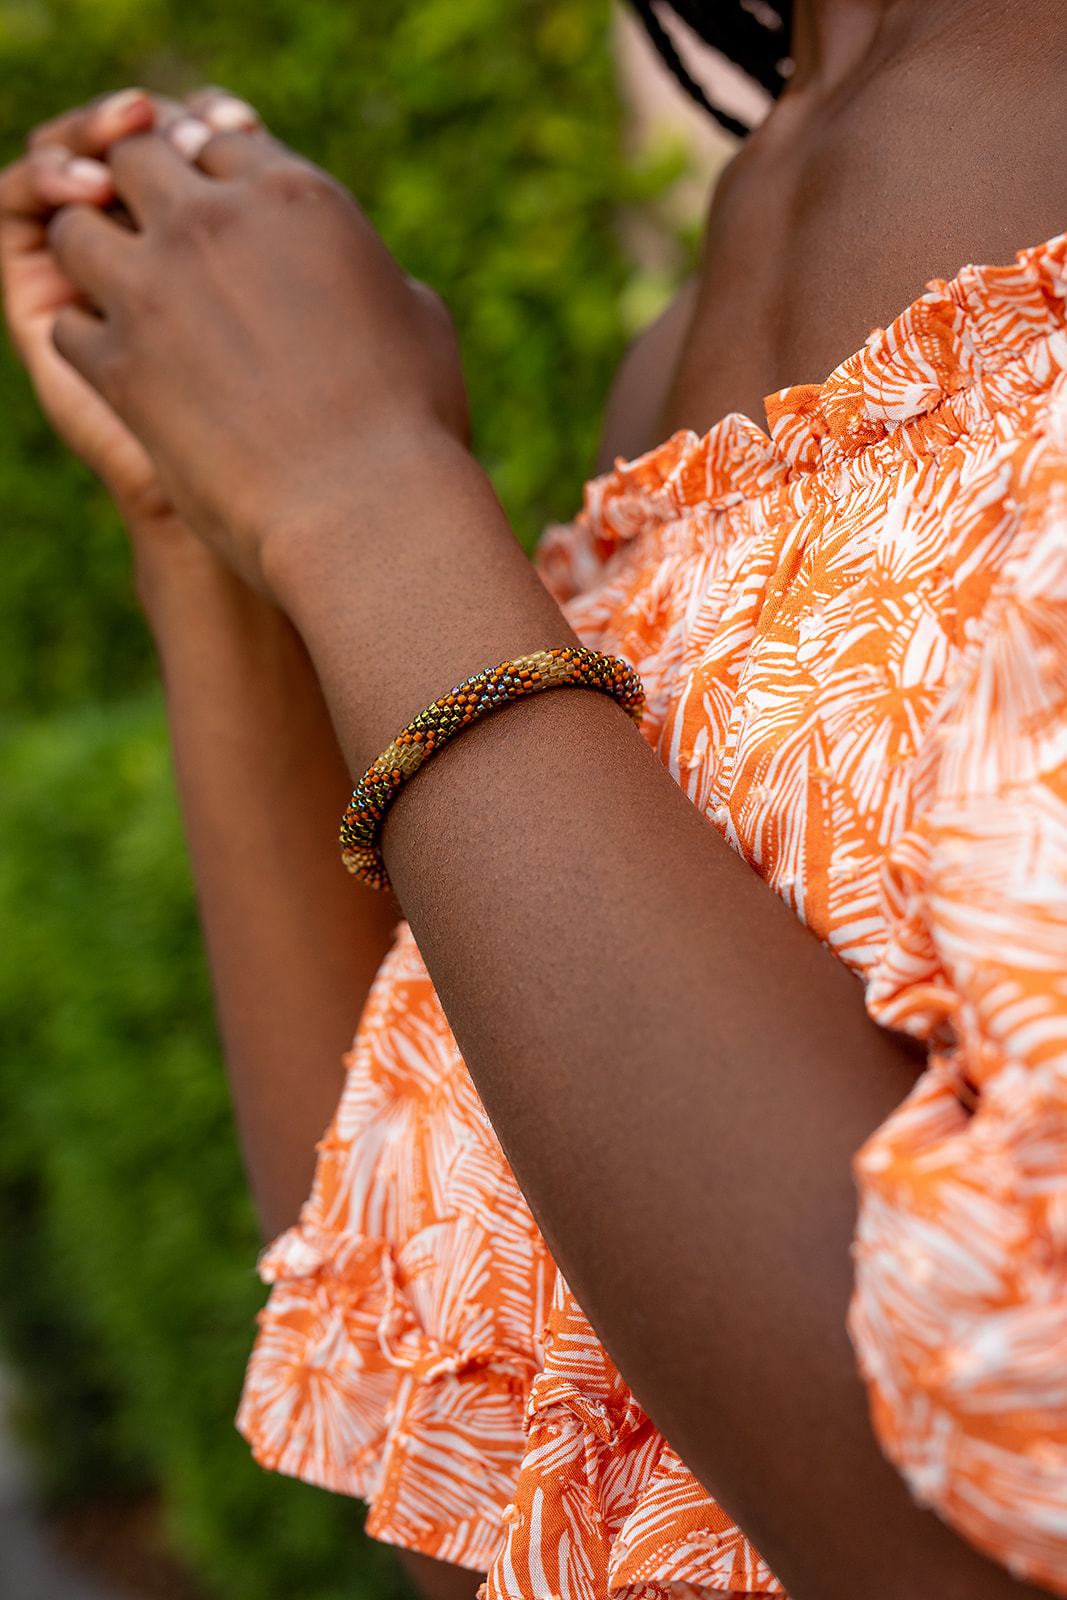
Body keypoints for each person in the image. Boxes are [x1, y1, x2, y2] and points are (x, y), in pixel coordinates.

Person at [2, 3, 1066, 1597]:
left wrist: (360, 496)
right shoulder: (713, 302)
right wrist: (217, 528)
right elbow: (475, 1412)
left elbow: (993, 1500)